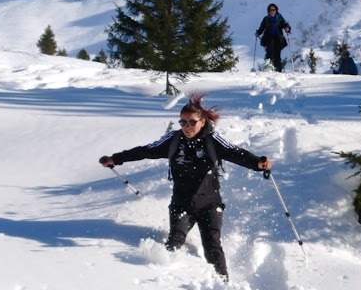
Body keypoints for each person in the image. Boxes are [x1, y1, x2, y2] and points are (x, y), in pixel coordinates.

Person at [100, 95, 270, 277]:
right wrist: (116, 159)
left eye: (192, 122)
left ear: (203, 122)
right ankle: (171, 284)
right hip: (181, 204)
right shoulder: (173, 140)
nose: (187, 127)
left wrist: (257, 163)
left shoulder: (213, 140)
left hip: (210, 204)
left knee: (212, 246)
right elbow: (145, 150)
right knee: (174, 242)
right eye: (183, 122)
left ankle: (223, 283)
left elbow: (235, 152)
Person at [254, 3, 291, 71]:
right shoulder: (266, 19)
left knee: (277, 54)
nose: (272, 11)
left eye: (273, 10)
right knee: (269, 52)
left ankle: (278, 70)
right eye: (270, 10)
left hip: (278, 38)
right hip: (269, 38)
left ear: (276, 10)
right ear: (268, 11)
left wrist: (287, 28)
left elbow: (285, 24)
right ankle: (268, 69)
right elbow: (262, 27)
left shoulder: (279, 18)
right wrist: (258, 32)